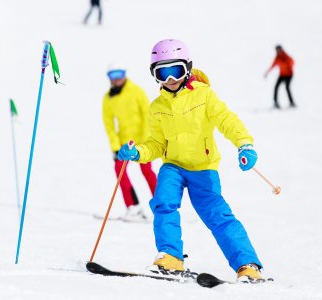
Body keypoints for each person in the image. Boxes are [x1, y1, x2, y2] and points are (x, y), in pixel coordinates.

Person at [117, 39, 265, 282]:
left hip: (203, 167)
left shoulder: (205, 96)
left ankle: (248, 265)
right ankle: (171, 257)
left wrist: (244, 144)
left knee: (217, 214)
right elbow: (156, 144)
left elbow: (227, 120)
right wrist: (138, 153)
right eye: (162, 73)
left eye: (175, 70)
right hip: (173, 166)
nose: (170, 79)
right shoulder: (156, 108)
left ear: (187, 68)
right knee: (163, 202)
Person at [102, 67, 157, 222]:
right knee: (119, 170)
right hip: (124, 143)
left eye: (119, 74)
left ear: (125, 74)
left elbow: (148, 115)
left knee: (146, 170)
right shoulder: (108, 98)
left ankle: (162, 205)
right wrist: (115, 146)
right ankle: (133, 207)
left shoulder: (137, 91)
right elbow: (109, 124)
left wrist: (148, 140)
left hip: (142, 141)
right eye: (113, 75)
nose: (117, 78)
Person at [264, 45, 295, 109]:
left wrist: (288, 67)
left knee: (287, 88)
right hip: (282, 75)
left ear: (282, 49)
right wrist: (267, 72)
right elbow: (273, 65)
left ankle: (292, 103)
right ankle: (276, 103)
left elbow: (292, 63)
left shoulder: (286, 56)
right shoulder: (277, 58)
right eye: (277, 50)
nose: (278, 51)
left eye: (279, 49)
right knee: (276, 87)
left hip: (289, 75)